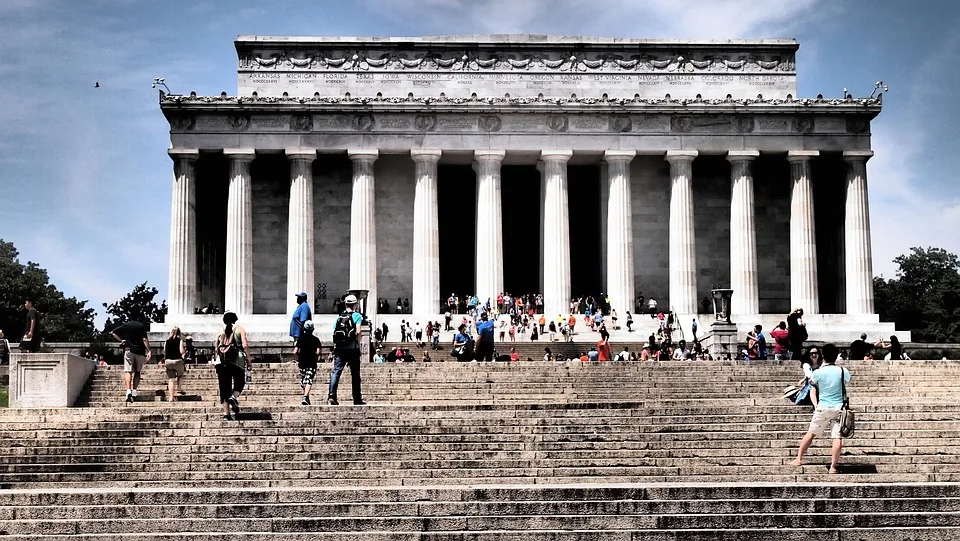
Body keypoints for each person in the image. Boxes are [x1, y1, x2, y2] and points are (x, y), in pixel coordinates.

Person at [791, 343, 851, 474]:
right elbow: (845, 382)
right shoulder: (843, 371)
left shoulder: (818, 372)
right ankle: (833, 467)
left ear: (823, 355)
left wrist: (816, 404)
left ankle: (799, 458)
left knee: (811, 433)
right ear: (836, 356)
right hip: (838, 408)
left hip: (823, 406)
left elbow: (813, 386)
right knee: (837, 437)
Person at [328, 294, 366, 405]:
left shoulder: (339, 317)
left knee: (336, 372)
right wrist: (358, 344)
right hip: (352, 348)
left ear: (345, 304)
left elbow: (334, 332)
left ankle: (332, 395)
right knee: (355, 374)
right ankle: (357, 399)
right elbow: (358, 331)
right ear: (355, 304)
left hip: (340, 349)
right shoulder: (357, 316)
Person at [214, 312, 249, 420]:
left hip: (221, 362)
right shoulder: (239, 329)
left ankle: (226, 414)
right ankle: (232, 397)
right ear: (235, 319)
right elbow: (245, 346)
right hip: (236, 361)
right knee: (240, 382)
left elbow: (216, 348)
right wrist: (249, 361)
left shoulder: (220, 331)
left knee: (224, 388)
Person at [111, 319, 151, 403]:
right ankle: (134, 390)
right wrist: (149, 350)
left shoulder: (126, 325)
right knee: (137, 371)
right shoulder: (141, 326)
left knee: (128, 371)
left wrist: (121, 340)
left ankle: (128, 390)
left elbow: (113, 332)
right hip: (139, 351)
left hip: (128, 350)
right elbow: (144, 339)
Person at [294, 320, 321, 406]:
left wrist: (299, 355)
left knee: (304, 380)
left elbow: (295, 351)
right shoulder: (316, 340)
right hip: (312, 362)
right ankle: (306, 397)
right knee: (309, 380)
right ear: (313, 329)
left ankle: (306, 396)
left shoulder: (300, 339)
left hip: (302, 362)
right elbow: (318, 352)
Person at [162, 327, 187, 402]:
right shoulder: (180, 340)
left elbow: (164, 351)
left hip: (168, 361)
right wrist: (184, 351)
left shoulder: (167, 341)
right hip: (177, 360)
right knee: (181, 374)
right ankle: (179, 388)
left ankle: (171, 397)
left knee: (171, 379)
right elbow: (181, 351)